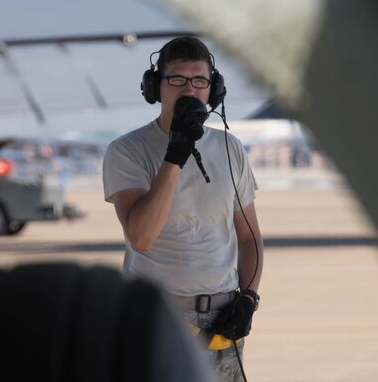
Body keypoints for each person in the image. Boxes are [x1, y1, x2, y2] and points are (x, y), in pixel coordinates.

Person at [103, 36, 264, 382]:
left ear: (213, 89)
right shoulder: (127, 151)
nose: (188, 90)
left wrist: (248, 298)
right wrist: (175, 153)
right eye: (176, 80)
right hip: (157, 318)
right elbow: (141, 237)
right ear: (155, 87)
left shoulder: (229, 148)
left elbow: (249, 239)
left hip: (221, 323)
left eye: (199, 81)